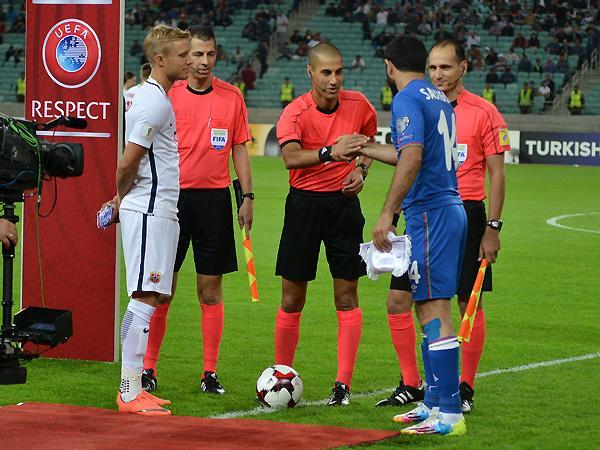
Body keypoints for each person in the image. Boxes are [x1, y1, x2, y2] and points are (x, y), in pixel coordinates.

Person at [141, 26, 253, 395]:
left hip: (214, 202)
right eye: (197, 54)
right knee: (162, 289)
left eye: (210, 54)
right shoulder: (168, 94)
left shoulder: (231, 96)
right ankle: (148, 368)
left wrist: (247, 196)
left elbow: (239, 147)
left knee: (210, 290)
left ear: (217, 55)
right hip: (171, 200)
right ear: (186, 56)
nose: (203, 61)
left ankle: (209, 373)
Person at [366, 35, 468, 435]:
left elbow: (412, 156)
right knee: (425, 307)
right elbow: (412, 151)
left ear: (389, 66)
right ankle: (434, 403)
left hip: (430, 213)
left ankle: (450, 415)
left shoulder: (406, 98)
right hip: (446, 208)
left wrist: (387, 213)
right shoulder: (437, 96)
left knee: (434, 310)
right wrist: (366, 148)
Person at [274, 42, 376, 406]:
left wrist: (361, 171)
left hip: (343, 207)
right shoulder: (295, 112)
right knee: (292, 297)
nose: (334, 80)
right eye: (326, 72)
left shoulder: (360, 105)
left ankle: (342, 385)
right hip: (303, 206)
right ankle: (281, 378)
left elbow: (369, 143)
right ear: (310, 72)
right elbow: (290, 158)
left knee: (346, 296)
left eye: (339, 72)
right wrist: (330, 153)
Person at [109, 24, 192, 415]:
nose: (189, 60)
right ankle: (129, 391)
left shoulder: (149, 96)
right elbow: (128, 162)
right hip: (148, 209)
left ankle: (136, 387)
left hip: (158, 209)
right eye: (183, 55)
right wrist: (121, 197)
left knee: (154, 295)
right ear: (160, 59)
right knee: (144, 296)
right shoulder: (153, 102)